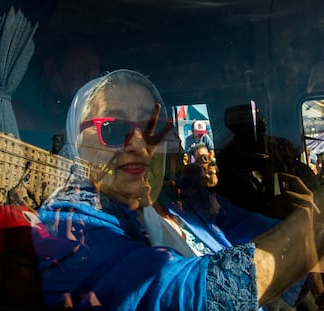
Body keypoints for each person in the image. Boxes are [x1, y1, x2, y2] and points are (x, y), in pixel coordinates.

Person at [34, 69, 324, 310]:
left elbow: (262, 231)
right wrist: (314, 221)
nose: (138, 144)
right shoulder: (68, 224)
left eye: (152, 127)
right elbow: (178, 296)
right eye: (111, 128)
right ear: (76, 141)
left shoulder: (182, 202)